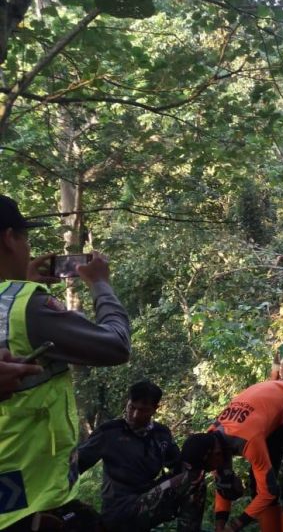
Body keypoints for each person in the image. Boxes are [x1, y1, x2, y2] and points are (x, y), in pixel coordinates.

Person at [0, 195, 131, 531]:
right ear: (9, 238)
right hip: (31, 501)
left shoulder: (21, 300)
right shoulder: (27, 306)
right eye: (25, 238)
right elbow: (116, 345)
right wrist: (100, 283)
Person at [181, 380, 283, 532]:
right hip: (267, 407)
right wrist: (220, 526)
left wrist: (236, 524)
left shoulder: (248, 440)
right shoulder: (212, 437)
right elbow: (223, 482)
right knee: (258, 483)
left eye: (208, 467)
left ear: (215, 454)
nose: (211, 470)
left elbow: (269, 493)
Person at [76, 381, 203, 531]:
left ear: (155, 409)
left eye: (143, 410)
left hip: (147, 499)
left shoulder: (161, 434)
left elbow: (178, 465)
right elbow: (75, 466)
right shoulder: (110, 432)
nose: (135, 415)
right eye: (132, 407)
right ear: (127, 403)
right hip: (120, 510)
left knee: (195, 477)